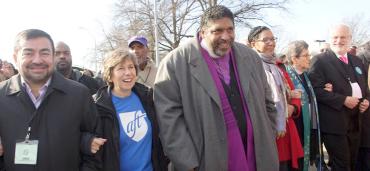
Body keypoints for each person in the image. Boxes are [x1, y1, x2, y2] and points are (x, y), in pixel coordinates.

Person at [154, 5, 279, 171]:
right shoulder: (175, 63)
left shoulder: (249, 57)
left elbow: (267, 102)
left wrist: (267, 136)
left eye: (230, 29)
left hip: (257, 155)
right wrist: (187, 163)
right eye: (218, 31)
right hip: (207, 159)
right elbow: (168, 119)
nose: (225, 37)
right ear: (203, 31)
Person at [0, 29, 101, 170]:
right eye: (28, 53)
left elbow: (96, 147)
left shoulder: (79, 94)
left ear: (53, 57)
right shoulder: (1, 96)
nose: (37, 60)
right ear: (15, 58)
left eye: (44, 53)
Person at [94, 48, 168, 171]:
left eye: (131, 67)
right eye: (121, 68)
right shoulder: (98, 105)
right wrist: (88, 140)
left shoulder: (148, 97)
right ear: (110, 75)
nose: (128, 72)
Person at [308, 24, 370, 171]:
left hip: (356, 122)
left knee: (353, 162)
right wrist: (343, 100)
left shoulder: (357, 61)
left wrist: (366, 100)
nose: (339, 40)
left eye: (343, 37)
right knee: (341, 165)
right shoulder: (319, 60)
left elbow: (365, 88)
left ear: (349, 39)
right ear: (330, 39)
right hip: (334, 124)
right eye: (335, 37)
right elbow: (315, 91)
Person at [247, 26, 304, 171]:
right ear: (253, 43)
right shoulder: (249, 68)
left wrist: (293, 107)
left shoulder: (279, 67)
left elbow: (294, 94)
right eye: (265, 39)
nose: (271, 42)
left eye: (272, 39)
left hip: (287, 129)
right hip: (268, 131)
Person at [285, 40, 334, 170]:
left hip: (310, 124)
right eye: (305, 55)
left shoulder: (307, 76)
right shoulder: (285, 76)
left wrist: (325, 88)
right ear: (294, 59)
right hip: (296, 127)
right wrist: (288, 95)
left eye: (309, 55)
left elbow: (311, 95)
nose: (309, 58)